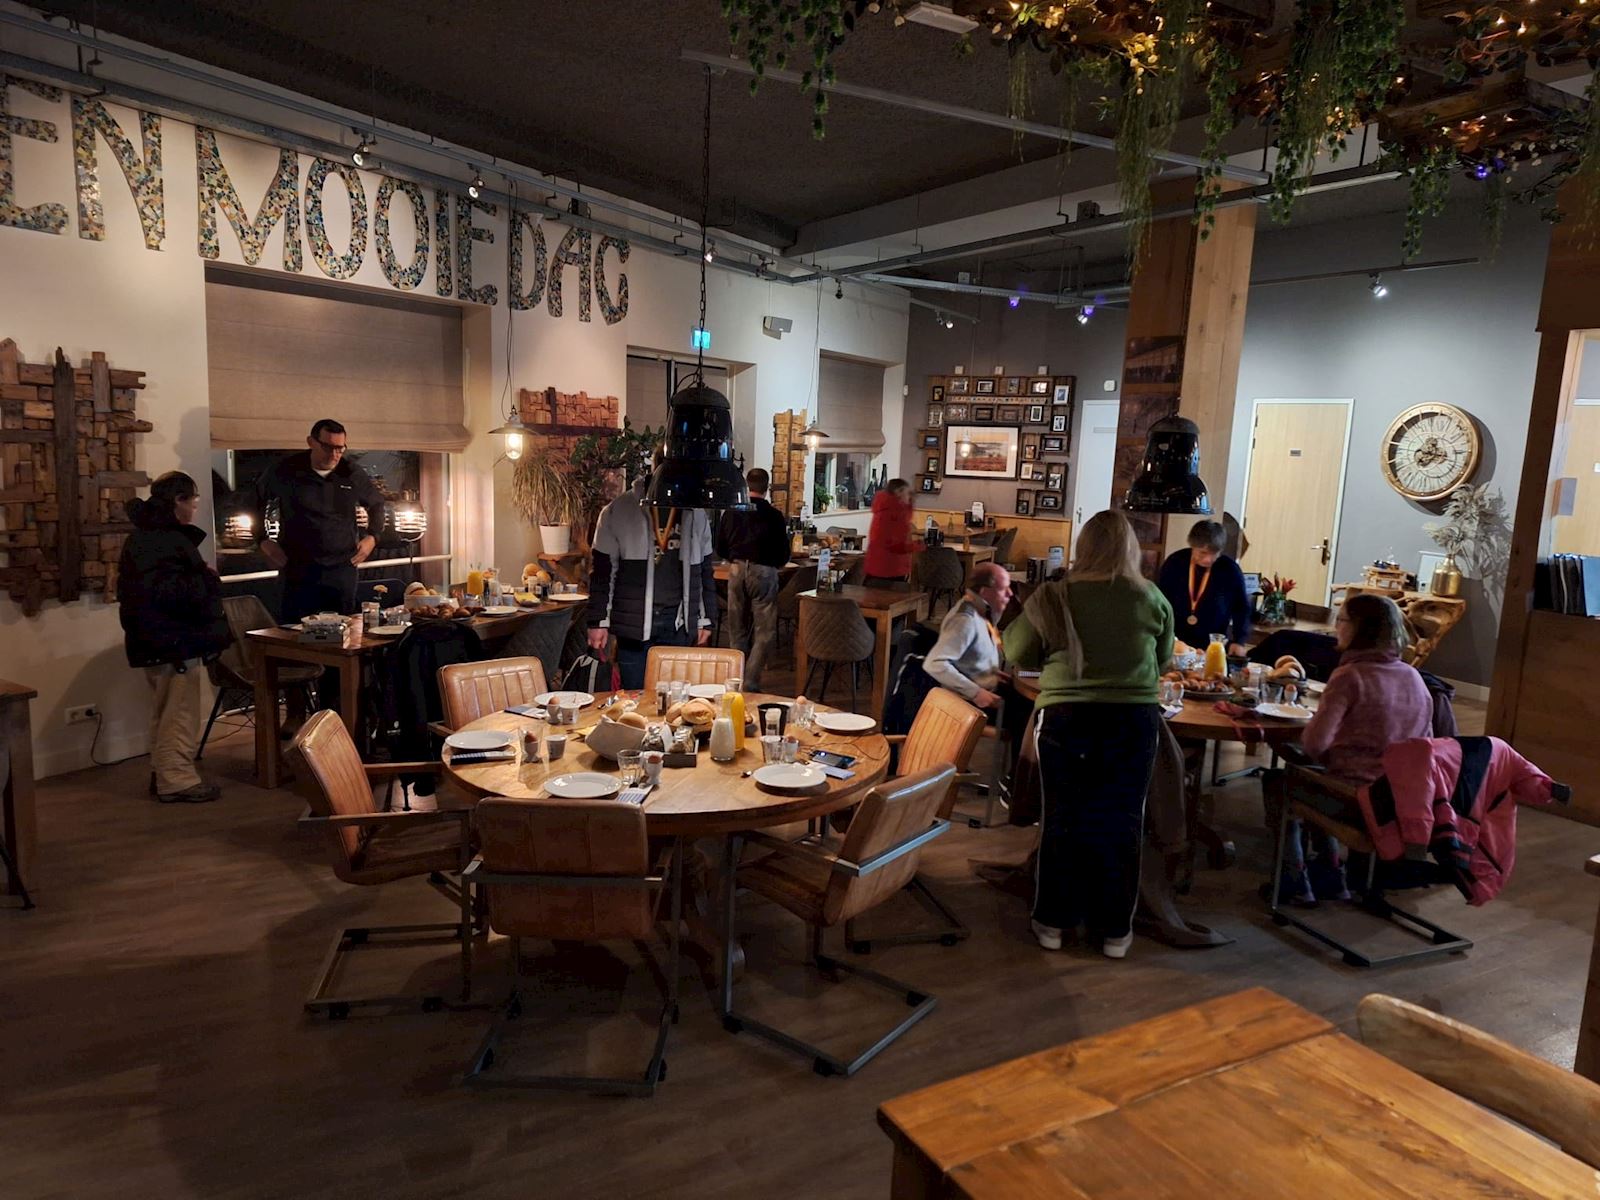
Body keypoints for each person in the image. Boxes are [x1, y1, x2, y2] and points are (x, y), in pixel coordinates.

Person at [1003, 510, 1173, 960]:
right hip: (1134, 720)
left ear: (1084, 547)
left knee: (1062, 818)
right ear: (1130, 549)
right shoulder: (1150, 597)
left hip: (1067, 716)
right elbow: (1163, 659)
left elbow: (1017, 649)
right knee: (1124, 821)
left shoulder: (1055, 595)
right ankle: (1115, 930)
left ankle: (1054, 922)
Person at [1272, 591, 1433, 905]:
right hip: (1399, 802)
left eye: (1342, 620)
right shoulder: (1415, 678)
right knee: (1316, 776)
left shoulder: (1349, 676)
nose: (1336, 627)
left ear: (1360, 629)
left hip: (1356, 802)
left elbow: (1314, 743)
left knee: (1281, 782)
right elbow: (1425, 746)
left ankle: (1295, 883)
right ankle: (1330, 872)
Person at [118, 472, 231, 803]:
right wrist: (208, 578)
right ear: (178, 501)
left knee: (166, 710)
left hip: (157, 639)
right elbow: (169, 593)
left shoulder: (146, 537)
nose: (195, 506)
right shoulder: (164, 540)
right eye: (193, 500)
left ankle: (165, 773)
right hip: (173, 641)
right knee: (179, 713)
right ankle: (177, 780)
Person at [587, 452, 718, 689]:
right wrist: (598, 621)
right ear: (655, 468)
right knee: (634, 697)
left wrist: (705, 619)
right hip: (633, 623)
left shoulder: (695, 512)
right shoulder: (619, 510)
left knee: (675, 698)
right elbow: (602, 572)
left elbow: (703, 571)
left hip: (677, 621)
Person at [252, 419, 385, 620]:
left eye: (340, 449)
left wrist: (372, 537)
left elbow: (377, 504)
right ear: (311, 442)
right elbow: (254, 502)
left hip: (342, 569)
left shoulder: (350, 472)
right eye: (328, 447)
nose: (334, 455)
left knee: (343, 629)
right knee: (294, 631)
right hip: (297, 568)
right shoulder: (286, 469)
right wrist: (262, 540)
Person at [715, 467, 790, 692]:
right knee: (764, 632)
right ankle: (750, 681)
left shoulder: (731, 512)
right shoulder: (774, 516)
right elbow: (783, 554)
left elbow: (720, 547)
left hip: (736, 569)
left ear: (747, 486)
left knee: (736, 628)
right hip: (764, 572)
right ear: (767, 488)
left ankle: (735, 681)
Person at [924, 561, 1011, 711]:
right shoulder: (965, 620)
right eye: (1004, 589)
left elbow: (973, 654)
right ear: (985, 592)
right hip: (967, 704)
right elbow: (934, 664)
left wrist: (989, 673)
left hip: (986, 690)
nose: (1010, 593)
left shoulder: (983, 611)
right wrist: (976, 693)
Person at [1157, 518, 1251, 655]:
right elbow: (1160, 602)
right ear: (1192, 545)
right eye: (1202, 552)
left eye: (1214, 554)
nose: (1208, 559)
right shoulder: (1175, 562)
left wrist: (1239, 640)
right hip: (1175, 642)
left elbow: (1242, 608)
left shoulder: (1230, 570)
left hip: (1213, 646)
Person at [863, 477, 916, 588]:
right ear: (899, 492)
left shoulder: (882, 508)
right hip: (892, 565)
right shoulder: (896, 512)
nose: (909, 497)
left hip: (876, 562)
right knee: (892, 596)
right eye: (907, 493)